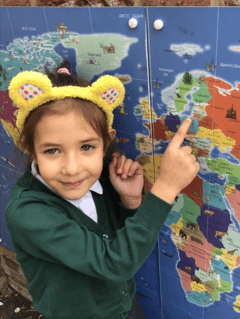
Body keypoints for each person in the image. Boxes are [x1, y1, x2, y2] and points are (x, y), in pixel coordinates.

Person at [5, 61, 200, 319]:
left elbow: (117, 241)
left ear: (106, 142)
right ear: (30, 147)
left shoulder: (101, 179)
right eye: (52, 150)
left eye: (87, 147)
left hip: (123, 305)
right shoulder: (28, 213)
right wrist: (165, 187)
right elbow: (113, 262)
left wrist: (130, 201)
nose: (72, 169)